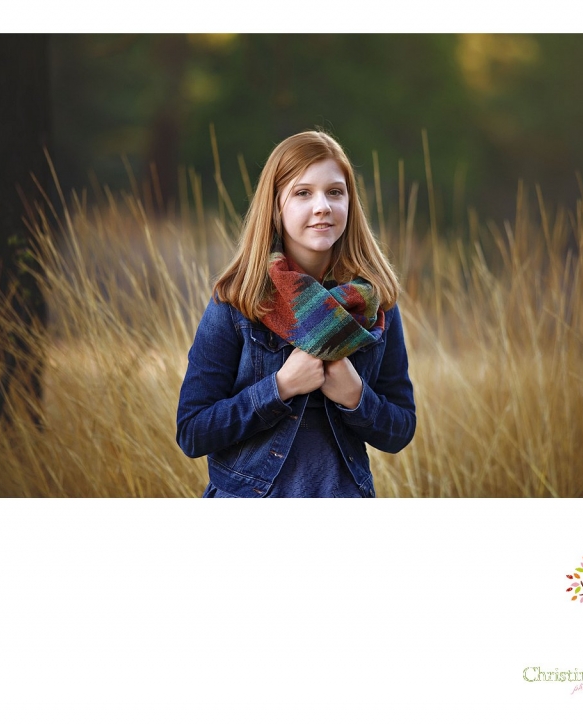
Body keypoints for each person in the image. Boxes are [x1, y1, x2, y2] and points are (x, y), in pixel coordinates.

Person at [176, 130, 415, 497]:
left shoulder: (376, 302)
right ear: (276, 206)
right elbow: (193, 431)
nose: (323, 206)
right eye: (303, 193)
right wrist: (280, 388)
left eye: (335, 192)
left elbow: (400, 429)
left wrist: (356, 397)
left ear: (350, 203)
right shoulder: (238, 300)